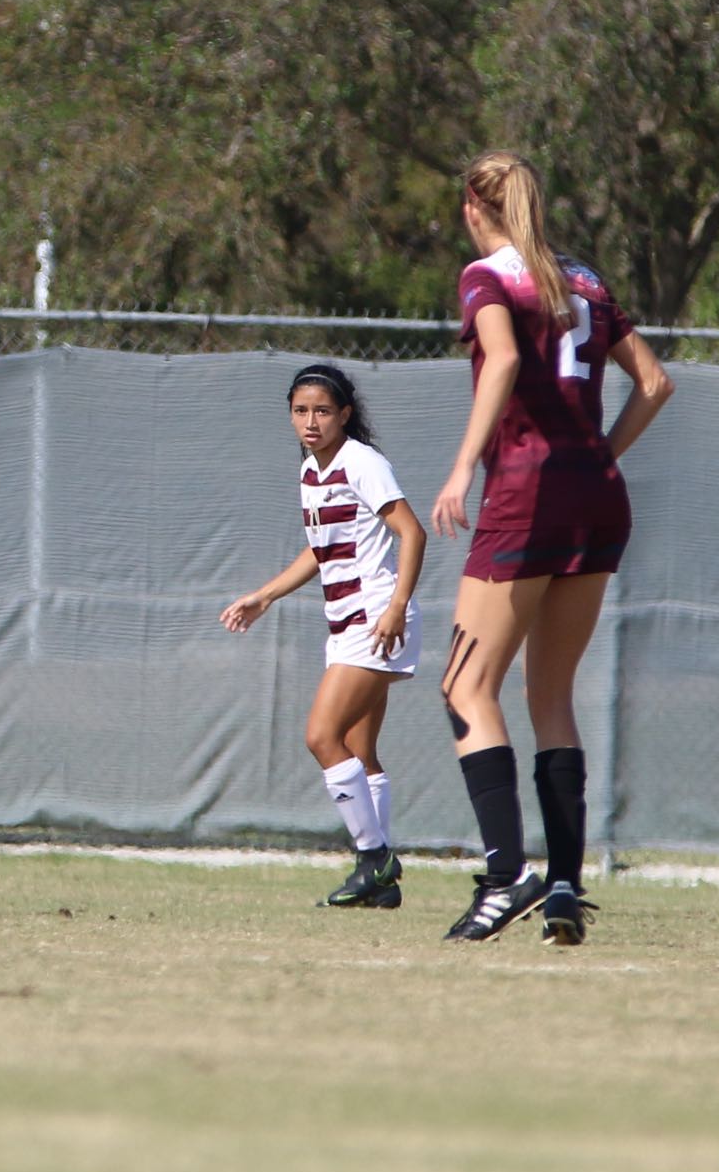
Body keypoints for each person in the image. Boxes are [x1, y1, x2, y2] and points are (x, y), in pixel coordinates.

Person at [428, 151, 675, 945]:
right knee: (551, 696)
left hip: (525, 496)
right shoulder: (587, 282)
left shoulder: (486, 276)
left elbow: (500, 358)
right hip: (596, 498)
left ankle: (508, 880)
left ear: (475, 205)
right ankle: (566, 886)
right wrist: (598, 451)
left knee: (465, 689)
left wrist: (464, 465)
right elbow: (657, 383)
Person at [222, 364, 427, 907]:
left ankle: (373, 858)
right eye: (300, 411)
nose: (310, 422)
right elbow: (320, 550)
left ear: (345, 415)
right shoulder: (312, 471)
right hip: (345, 623)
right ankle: (381, 888)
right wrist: (265, 595)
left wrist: (397, 608)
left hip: (375, 619)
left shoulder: (361, 462)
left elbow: (412, 531)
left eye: (322, 411)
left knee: (320, 736)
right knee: (359, 751)